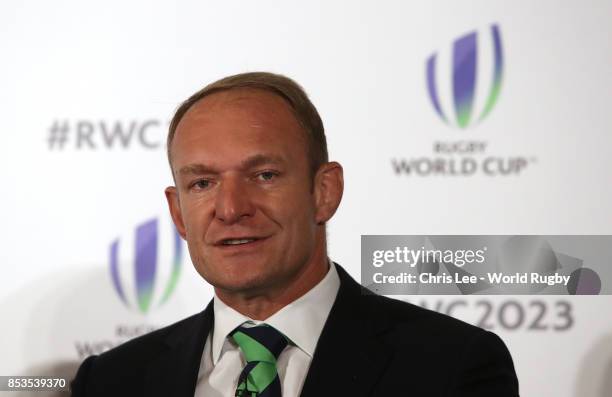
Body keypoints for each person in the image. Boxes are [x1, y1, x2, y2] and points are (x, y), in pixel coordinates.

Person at [71, 72, 519, 396]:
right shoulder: (112, 381)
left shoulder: (451, 366)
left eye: (264, 175)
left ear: (324, 192)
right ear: (179, 213)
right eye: (202, 183)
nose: (231, 209)